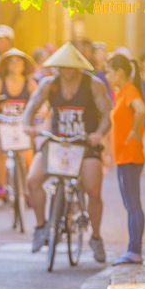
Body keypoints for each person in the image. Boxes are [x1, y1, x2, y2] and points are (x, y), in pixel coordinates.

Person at [23, 42, 112, 263]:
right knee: (33, 180)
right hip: (57, 142)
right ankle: (41, 226)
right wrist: (28, 125)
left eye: (71, 66)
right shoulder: (48, 84)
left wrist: (99, 134)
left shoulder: (94, 84)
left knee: (93, 190)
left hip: (85, 144)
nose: (67, 70)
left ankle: (96, 237)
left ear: (80, 67)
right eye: (62, 66)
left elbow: (107, 114)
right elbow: (31, 107)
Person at [105, 53, 145, 265]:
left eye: (109, 72)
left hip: (130, 156)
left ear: (119, 73)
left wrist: (135, 131)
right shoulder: (122, 92)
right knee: (131, 204)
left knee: (133, 204)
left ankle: (134, 250)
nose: (107, 75)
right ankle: (133, 249)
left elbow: (141, 109)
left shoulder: (129, 90)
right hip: (124, 157)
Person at [0, 48, 38, 200]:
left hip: (22, 127)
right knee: (0, 148)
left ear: (24, 66)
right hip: (1, 126)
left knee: (28, 154)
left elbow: (41, 104)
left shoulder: (30, 84)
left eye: (19, 61)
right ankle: (1, 186)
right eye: (11, 60)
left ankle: (29, 190)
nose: (15, 63)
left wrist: (42, 111)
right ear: (6, 65)